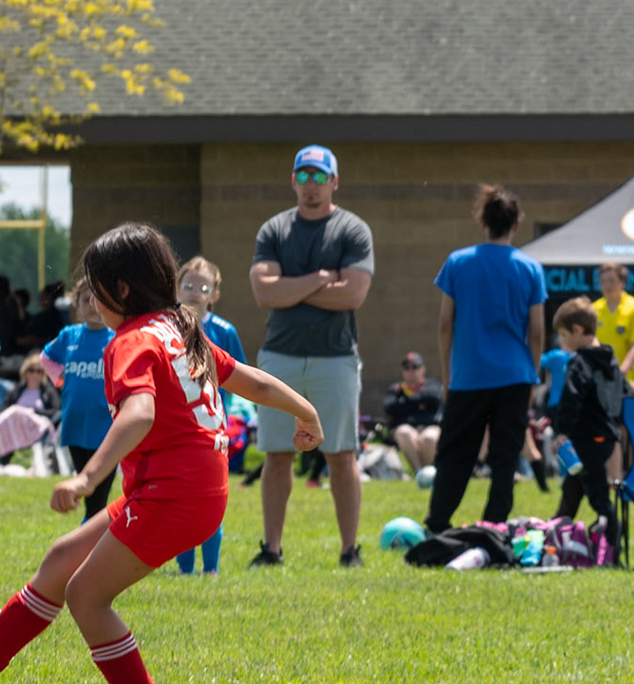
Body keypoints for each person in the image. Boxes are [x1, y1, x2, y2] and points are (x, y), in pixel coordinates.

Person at [0, 221, 325, 684]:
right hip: (188, 492)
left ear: (119, 289)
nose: (91, 299)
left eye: (96, 287)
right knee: (61, 560)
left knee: (87, 596)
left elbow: (140, 412)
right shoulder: (176, 327)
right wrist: (305, 409)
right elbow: (245, 377)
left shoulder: (131, 341)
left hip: (173, 496)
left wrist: (86, 478)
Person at [247, 145, 374, 568]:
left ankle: (349, 551)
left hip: (335, 358)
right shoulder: (274, 230)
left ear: (334, 182)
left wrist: (290, 288)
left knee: (341, 454)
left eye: (319, 177)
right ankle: (271, 549)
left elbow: (353, 295)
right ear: (293, 181)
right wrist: (321, 279)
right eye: (303, 176)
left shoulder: (353, 230)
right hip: (279, 356)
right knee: (277, 453)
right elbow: (263, 293)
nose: (311, 185)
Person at [425, 185, 547, 533]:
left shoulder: (458, 262)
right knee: (505, 456)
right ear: (516, 224)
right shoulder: (530, 268)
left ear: (482, 221)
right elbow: (537, 333)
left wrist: (447, 374)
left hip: (468, 375)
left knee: (455, 453)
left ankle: (437, 523)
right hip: (515, 375)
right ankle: (494, 526)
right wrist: (532, 375)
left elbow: (445, 324)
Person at [170, 255, 246, 577]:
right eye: (188, 286)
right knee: (179, 500)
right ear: (177, 289)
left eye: (203, 288)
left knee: (212, 499)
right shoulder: (166, 328)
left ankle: (211, 568)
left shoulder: (224, 331)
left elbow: (240, 376)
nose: (194, 293)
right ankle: (185, 569)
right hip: (175, 427)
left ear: (214, 294)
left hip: (213, 429)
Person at [41, 282, 116, 523]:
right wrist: (60, 378)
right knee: (88, 495)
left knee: (96, 498)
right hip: (75, 426)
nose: (93, 306)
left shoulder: (117, 338)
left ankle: (90, 540)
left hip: (106, 428)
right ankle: (91, 538)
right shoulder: (69, 335)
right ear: (77, 304)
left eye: (100, 300)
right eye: (86, 300)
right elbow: (45, 358)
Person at [548, 297, 620, 540]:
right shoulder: (610, 361)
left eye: (563, 335)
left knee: (599, 496)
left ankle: (613, 543)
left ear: (577, 330)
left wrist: (562, 431)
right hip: (607, 437)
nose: (561, 342)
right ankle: (556, 528)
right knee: (573, 486)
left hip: (587, 439)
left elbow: (572, 397)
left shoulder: (579, 362)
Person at [595, 263, 634, 398]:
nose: (607, 286)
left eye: (611, 281)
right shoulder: (593, 309)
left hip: (632, 383)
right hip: (602, 382)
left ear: (622, 282)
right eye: (603, 281)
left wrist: (619, 374)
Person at [382, 351, 444, 474]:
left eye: (414, 367)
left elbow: (434, 399)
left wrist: (406, 402)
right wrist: (419, 402)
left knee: (429, 438)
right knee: (404, 432)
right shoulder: (396, 389)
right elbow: (390, 408)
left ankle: (426, 472)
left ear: (423, 369)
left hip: (430, 426)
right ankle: (419, 472)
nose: (410, 371)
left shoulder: (433, 385)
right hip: (407, 428)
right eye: (406, 368)